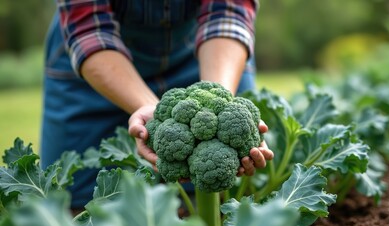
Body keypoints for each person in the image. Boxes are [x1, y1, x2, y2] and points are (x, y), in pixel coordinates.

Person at [41, 0, 273, 211]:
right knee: (77, 202)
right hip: (97, 64)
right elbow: (89, 29)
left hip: (206, 53)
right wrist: (159, 117)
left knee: (222, 193)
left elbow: (228, 12)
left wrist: (220, 103)